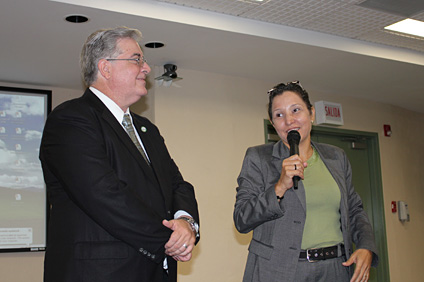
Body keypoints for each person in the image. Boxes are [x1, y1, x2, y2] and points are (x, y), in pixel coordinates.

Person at [39, 27, 199, 282]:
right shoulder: (71, 119)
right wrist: (169, 239)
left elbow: (177, 184)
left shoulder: (148, 130)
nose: (146, 68)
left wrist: (186, 223)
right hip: (98, 273)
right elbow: (103, 193)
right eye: (137, 59)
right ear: (106, 68)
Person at [233, 81, 378, 282]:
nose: (289, 120)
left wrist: (365, 245)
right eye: (279, 115)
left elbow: (354, 209)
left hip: (335, 268)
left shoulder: (336, 157)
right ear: (272, 123)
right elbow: (242, 219)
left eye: (296, 110)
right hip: (279, 271)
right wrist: (279, 187)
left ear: (311, 113)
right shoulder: (258, 158)